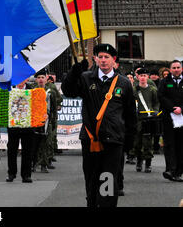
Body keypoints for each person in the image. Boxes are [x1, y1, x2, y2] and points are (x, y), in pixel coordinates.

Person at [62, 44, 137, 207]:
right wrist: (73, 73)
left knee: (109, 179)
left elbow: (130, 114)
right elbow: (68, 91)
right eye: (100, 57)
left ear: (113, 60)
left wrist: (130, 139)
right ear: (95, 59)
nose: (103, 60)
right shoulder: (86, 78)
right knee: (91, 178)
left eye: (107, 57)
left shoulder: (123, 83)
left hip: (113, 140)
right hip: (90, 140)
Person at [158, 60, 183, 182]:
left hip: (182, 118)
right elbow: (161, 96)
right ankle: (170, 170)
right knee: (169, 144)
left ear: (181, 69)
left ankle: (179, 171)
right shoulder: (164, 82)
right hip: (169, 117)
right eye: (174, 67)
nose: (176, 69)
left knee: (180, 145)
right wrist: (172, 108)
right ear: (170, 69)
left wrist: (181, 109)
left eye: (178, 67)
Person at [6, 78, 34, 183]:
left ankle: (26, 175)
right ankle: (11, 173)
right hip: (13, 126)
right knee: (12, 150)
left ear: (26, 79)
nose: (21, 82)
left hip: (28, 126)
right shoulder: (9, 90)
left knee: (27, 150)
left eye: (22, 79)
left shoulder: (32, 90)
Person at [30, 69, 58, 173]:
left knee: (46, 143)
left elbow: (54, 108)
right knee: (34, 144)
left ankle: (44, 164)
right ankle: (33, 164)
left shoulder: (50, 92)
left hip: (47, 121)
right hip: (35, 121)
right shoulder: (32, 90)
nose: (41, 80)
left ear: (46, 79)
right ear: (36, 80)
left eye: (42, 77)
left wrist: (53, 122)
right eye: (38, 78)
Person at [132, 68, 160, 173]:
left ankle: (148, 163)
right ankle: (139, 162)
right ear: (137, 77)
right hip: (138, 119)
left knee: (148, 142)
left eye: (144, 75)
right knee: (137, 142)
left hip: (149, 118)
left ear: (147, 77)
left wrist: (155, 111)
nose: (143, 78)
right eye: (141, 76)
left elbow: (156, 102)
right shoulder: (134, 90)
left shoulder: (153, 90)